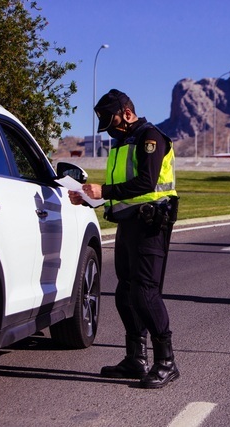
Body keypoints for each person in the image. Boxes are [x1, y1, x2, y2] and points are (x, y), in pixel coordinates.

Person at [68, 89, 179, 389]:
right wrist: (87, 198)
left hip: (151, 224)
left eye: (113, 121)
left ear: (127, 113)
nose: (111, 129)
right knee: (125, 293)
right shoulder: (121, 143)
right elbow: (122, 188)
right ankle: (136, 358)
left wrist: (102, 192)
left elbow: (146, 181)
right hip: (129, 223)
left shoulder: (150, 137)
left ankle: (166, 362)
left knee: (145, 293)